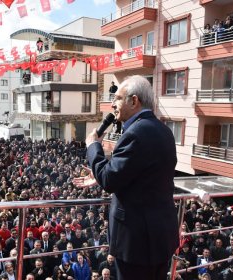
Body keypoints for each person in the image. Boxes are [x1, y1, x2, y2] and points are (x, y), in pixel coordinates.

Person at [73, 75, 179, 280]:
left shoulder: (135, 133)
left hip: (137, 242)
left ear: (134, 100)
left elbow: (109, 181)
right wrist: (101, 173)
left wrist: (93, 146)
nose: (113, 104)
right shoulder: (164, 130)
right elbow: (145, 174)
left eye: (118, 98)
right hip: (160, 236)